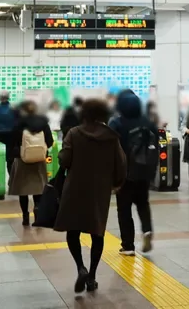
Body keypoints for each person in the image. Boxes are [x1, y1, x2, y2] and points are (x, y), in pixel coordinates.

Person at [55, 99, 127, 295]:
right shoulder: (111, 137)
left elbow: (64, 159)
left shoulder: (74, 133)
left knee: (73, 232)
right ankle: (92, 277)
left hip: (75, 189)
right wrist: (116, 183)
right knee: (97, 233)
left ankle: (80, 267)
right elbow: (121, 163)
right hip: (99, 191)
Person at [109, 89, 157, 255]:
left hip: (125, 173)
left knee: (124, 208)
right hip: (144, 171)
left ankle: (128, 245)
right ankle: (147, 230)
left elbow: (110, 148)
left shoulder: (116, 123)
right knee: (143, 203)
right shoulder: (148, 122)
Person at [7, 100, 53, 227]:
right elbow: (50, 142)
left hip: (22, 160)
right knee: (38, 189)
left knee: (24, 191)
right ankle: (37, 213)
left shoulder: (17, 124)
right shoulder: (43, 124)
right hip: (39, 160)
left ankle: (25, 216)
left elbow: (11, 143)